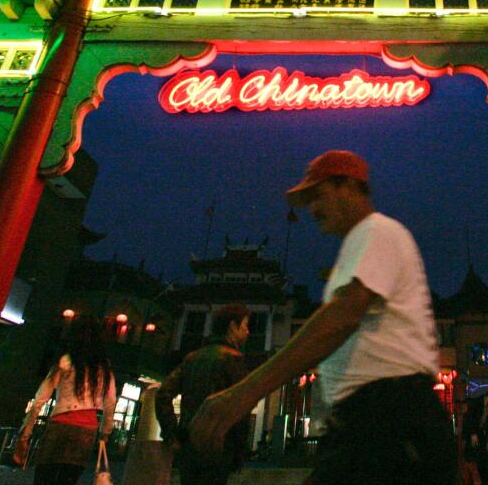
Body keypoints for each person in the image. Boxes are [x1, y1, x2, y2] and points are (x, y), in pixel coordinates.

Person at [188, 149, 456, 485]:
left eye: (319, 194)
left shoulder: (378, 232)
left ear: (349, 186)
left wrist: (244, 393)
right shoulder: (359, 248)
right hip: (369, 423)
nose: (313, 209)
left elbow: (341, 318)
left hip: (390, 418)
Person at [13, 315, 117, 485]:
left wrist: (25, 434)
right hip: (87, 430)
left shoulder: (65, 361)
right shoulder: (104, 369)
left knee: (44, 477)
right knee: (68, 479)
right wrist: (105, 433)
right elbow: (111, 402)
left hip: (60, 424)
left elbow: (40, 399)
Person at [154, 304, 251, 485]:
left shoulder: (192, 358)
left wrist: (172, 434)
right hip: (220, 445)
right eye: (245, 325)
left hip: (189, 445)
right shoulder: (234, 359)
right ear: (232, 326)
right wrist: (239, 450)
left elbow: (163, 394)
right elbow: (240, 408)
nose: (248, 331)